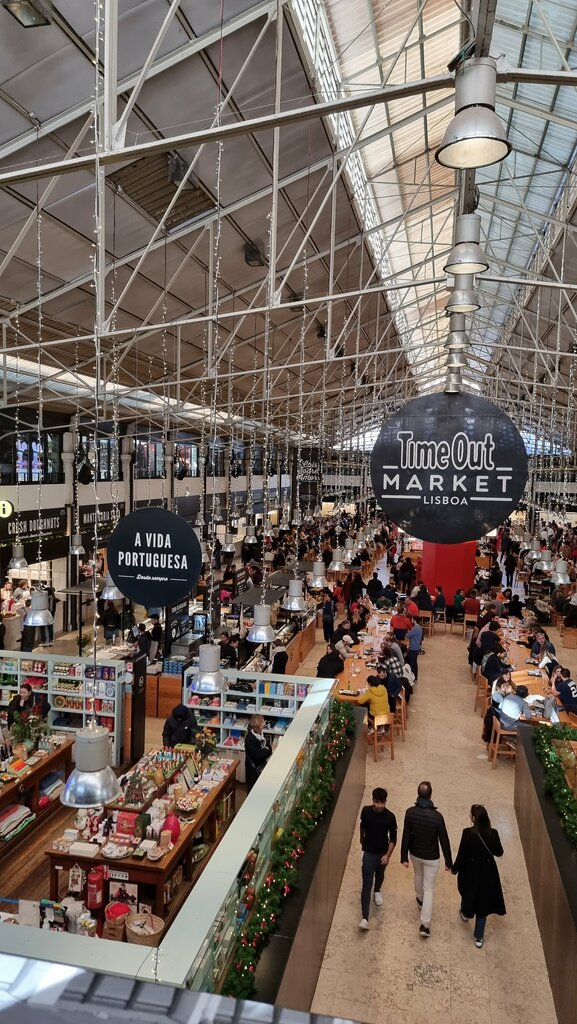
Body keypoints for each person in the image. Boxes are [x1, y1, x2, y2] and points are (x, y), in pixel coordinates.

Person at [400, 780, 452, 938]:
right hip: (431, 858)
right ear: (430, 795)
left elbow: (406, 836)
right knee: (429, 887)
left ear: (418, 794)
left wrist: (404, 857)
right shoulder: (437, 817)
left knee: (418, 875)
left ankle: (420, 899)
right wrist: (449, 862)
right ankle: (424, 924)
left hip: (415, 854)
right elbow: (444, 840)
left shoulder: (410, 812)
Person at [452, 804, 506, 948]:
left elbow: (462, 855)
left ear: (474, 818)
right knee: (483, 904)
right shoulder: (493, 833)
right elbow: (499, 852)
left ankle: (465, 912)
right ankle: (479, 936)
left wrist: (454, 869)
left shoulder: (467, 833)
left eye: (471, 815)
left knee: (467, 893)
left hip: (470, 872)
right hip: (488, 874)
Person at [358, 787, 397, 930]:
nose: (379, 805)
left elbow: (393, 838)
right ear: (373, 800)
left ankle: (378, 890)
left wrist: (387, 855)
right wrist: (361, 838)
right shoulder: (366, 811)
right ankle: (364, 917)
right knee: (366, 883)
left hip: (382, 853)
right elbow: (363, 825)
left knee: (380, 875)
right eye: (377, 802)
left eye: (382, 803)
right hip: (368, 853)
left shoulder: (390, 817)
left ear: (386, 801)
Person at [244, 714, 272, 792]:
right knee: (252, 790)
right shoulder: (250, 739)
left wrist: (266, 749)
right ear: (259, 725)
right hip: (253, 770)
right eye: (263, 721)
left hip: (260, 766)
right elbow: (259, 755)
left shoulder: (260, 734)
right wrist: (266, 748)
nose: (265, 723)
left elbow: (269, 748)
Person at [405, 617, 423, 681]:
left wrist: (407, 632)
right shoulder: (418, 628)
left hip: (413, 648)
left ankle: (412, 677)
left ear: (415, 621)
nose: (411, 621)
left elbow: (407, 635)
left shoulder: (416, 629)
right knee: (414, 663)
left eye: (412, 619)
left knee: (411, 664)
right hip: (416, 648)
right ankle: (415, 676)